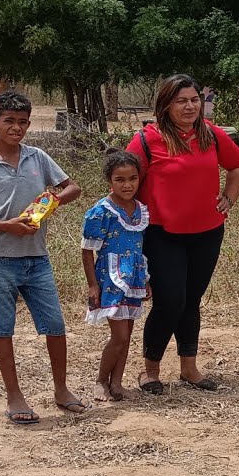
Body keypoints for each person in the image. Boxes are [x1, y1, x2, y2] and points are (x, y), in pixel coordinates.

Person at [0, 91, 86, 425]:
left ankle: (61, 389)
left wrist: (46, 206)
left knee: (55, 325)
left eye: (23, 122)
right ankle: (14, 395)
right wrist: (8, 226)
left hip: (37, 258)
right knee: (2, 329)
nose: (17, 128)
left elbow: (72, 188)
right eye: (9, 121)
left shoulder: (37, 158)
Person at [127, 74, 239, 394]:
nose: (190, 106)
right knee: (170, 300)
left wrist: (229, 197)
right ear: (166, 105)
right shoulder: (146, 140)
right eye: (181, 100)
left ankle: (189, 367)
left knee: (190, 300)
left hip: (207, 233)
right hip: (161, 234)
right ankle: (150, 370)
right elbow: (123, 184)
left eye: (195, 99)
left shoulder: (211, 134)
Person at [82, 150, 152, 402]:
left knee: (127, 335)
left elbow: (139, 246)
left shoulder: (141, 210)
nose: (127, 185)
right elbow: (88, 250)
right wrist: (93, 285)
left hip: (134, 276)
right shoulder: (101, 212)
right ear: (109, 181)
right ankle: (101, 380)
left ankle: (117, 382)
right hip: (110, 279)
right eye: (120, 180)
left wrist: (146, 280)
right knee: (119, 336)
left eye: (132, 178)